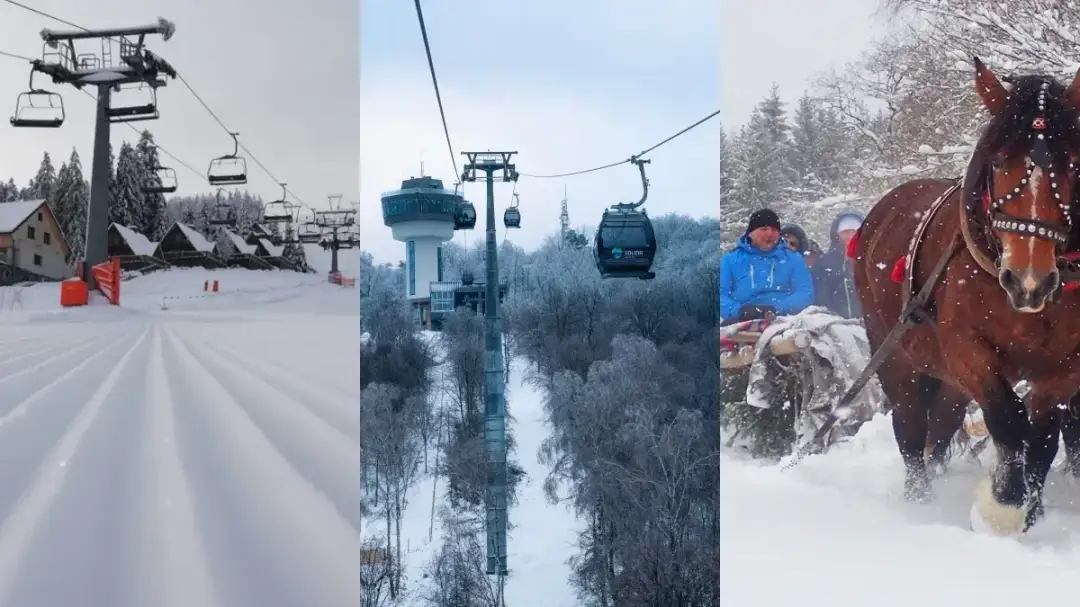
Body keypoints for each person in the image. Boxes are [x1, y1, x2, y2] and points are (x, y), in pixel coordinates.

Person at [719, 209, 815, 325]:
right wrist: (740, 311)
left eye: (774, 230)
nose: (769, 234)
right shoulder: (730, 260)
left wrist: (776, 308)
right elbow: (720, 296)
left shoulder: (793, 259)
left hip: (785, 320)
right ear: (751, 232)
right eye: (764, 229)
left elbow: (805, 293)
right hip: (739, 320)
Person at [811, 210, 864, 319]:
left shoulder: (870, 260)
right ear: (837, 235)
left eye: (855, 231)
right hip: (836, 322)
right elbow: (821, 296)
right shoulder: (825, 263)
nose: (850, 236)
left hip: (868, 322)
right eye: (845, 232)